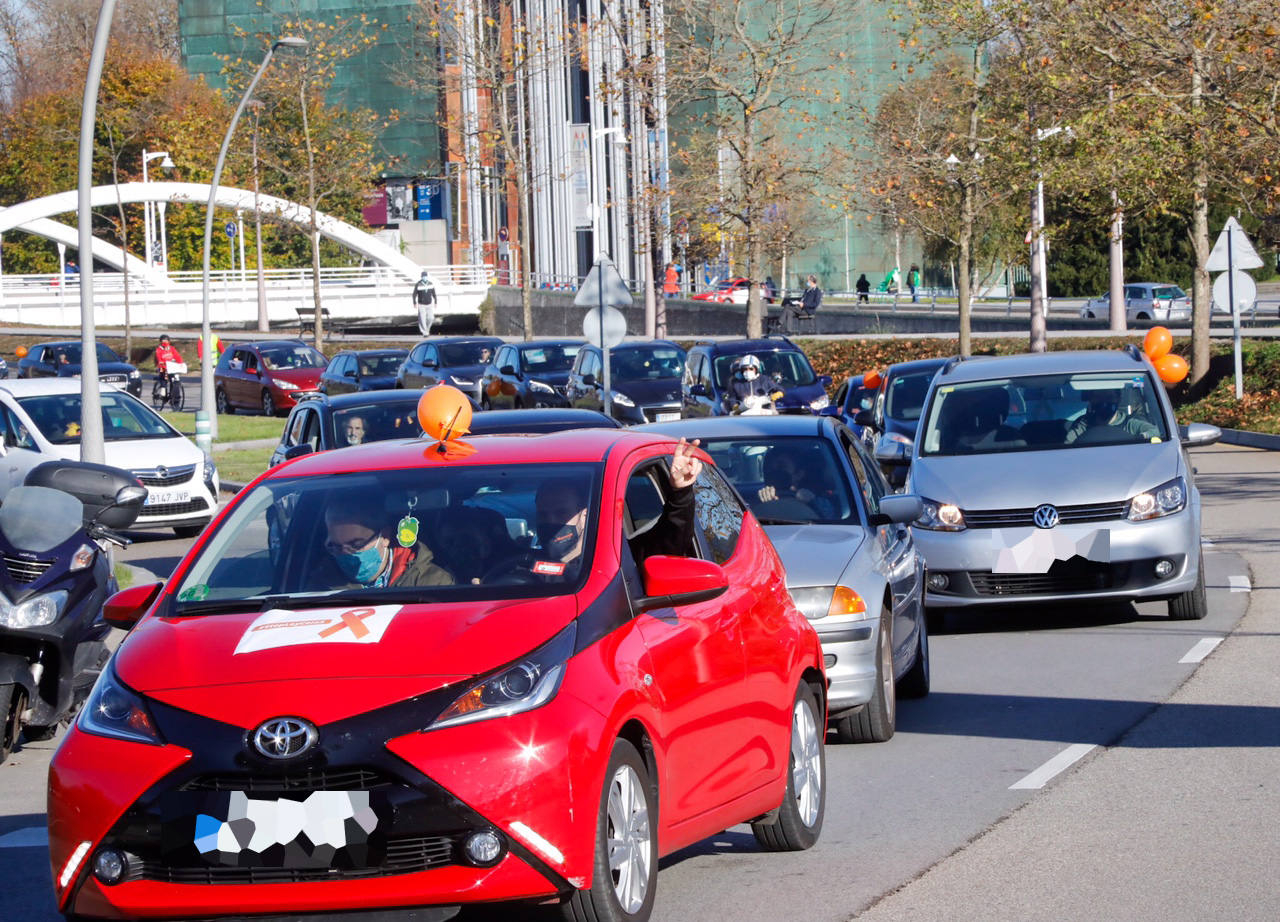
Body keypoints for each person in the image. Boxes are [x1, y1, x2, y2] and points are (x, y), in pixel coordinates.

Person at [534, 438, 703, 576]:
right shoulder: (522, 566)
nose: (551, 521)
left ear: (585, 514)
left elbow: (672, 540)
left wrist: (681, 493)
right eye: (543, 514)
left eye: (561, 512)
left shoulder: (623, 560)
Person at [322, 495, 453, 589]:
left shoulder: (432, 583)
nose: (346, 554)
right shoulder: (320, 586)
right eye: (335, 546)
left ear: (385, 536)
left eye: (356, 545)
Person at [757, 447, 836, 518]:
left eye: (782, 466)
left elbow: (832, 519)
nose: (774, 472)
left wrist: (813, 502)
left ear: (799, 474)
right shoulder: (752, 500)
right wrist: (765, 505)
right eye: (769, 468)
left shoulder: (817, 500)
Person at [413, 270, 437, 336]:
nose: (424, 277)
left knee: (431, 318)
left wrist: (436, 302)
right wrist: (414, 302)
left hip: (429, 304)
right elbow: (414, 294)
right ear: (421, 277)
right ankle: (424, 332)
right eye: (423, 276)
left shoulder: (430, 283)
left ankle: (427, 329)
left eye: (425, 276)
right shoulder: (418, 284)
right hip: (421, 304)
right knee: (422, 319)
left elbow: (434, 293)